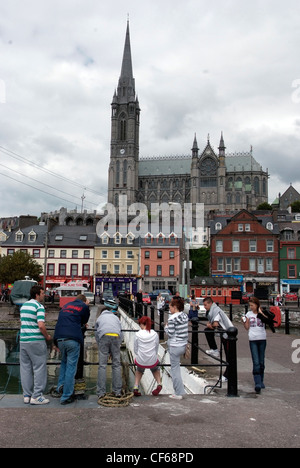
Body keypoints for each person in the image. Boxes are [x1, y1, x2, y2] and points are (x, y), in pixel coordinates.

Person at [53, 294, 90, 405]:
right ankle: (66, 396)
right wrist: (86, 306)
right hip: (73, 338)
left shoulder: (66, 305)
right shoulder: (83, 306)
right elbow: (84, 321)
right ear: (84, 301)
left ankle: (60, 387)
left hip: (59, 338)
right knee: (71, 367)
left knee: (64, 363)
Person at [19, 285, 52, 405]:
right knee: (39, 368)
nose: (44, 295)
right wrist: (47, 336)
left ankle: (26, 395)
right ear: (37, 294)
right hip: (36, 340)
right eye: (43, 293)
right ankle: (37, 396)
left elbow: (23, 321)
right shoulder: (39, 306)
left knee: (25, 368)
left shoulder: (24, 306)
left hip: (23, 340)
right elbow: (41, 325)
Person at [95, 300, 123, 398]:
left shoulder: (100, 318)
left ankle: (101, 392)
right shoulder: (115, 318)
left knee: (102, 365)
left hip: (104, 336)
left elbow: (96, 334)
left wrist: (101, 347)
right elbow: (121, 332)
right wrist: (117, 346)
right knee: (116, 365)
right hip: (115, 336)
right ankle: (117, 391)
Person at [203, 297, 233, 382]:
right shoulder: (214, 310)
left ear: (210, 303)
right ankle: (214, 349)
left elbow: (215, 324)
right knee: (207, 330)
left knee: (229, 355)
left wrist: (210, 326)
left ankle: (227, 375)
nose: (204, 307)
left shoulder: (216, 311)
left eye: (205, 305)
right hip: (225, 333)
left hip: (228, 334)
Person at [164, 297, 188, 400]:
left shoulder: (172, 318)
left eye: (170, 307)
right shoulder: (185, 316)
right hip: (183, 345)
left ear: (175, 307)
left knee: (175, 370)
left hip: (174, 345)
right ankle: (180, 391)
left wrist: (166, 327)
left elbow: (170, 333)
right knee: (176, 369)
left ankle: (179, 393)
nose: (169, 309)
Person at [243, 297, 268, 394]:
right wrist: (244, 321)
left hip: (262, 338)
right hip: (253, 339)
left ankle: (261, 380)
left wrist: (261, 313)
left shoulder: (262, 313)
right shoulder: (248, 314)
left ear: (257, 305)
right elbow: (246, 327)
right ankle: (257, 382)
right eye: (250, 305)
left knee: (262, 361)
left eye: (252, 305)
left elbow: (268, 321)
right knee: (256, 361)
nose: (251, 307)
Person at [133, 316, 162, 397]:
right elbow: (156, 347)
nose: (139, 325)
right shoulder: (154, 334)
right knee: (156, 368)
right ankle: (159, 383)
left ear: (143, 324)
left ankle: (136, 386)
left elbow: (135, 348)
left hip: (141, 359)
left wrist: (139, 354)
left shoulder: (138, 334)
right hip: (152, 359)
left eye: (140, 324)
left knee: (139, 369)